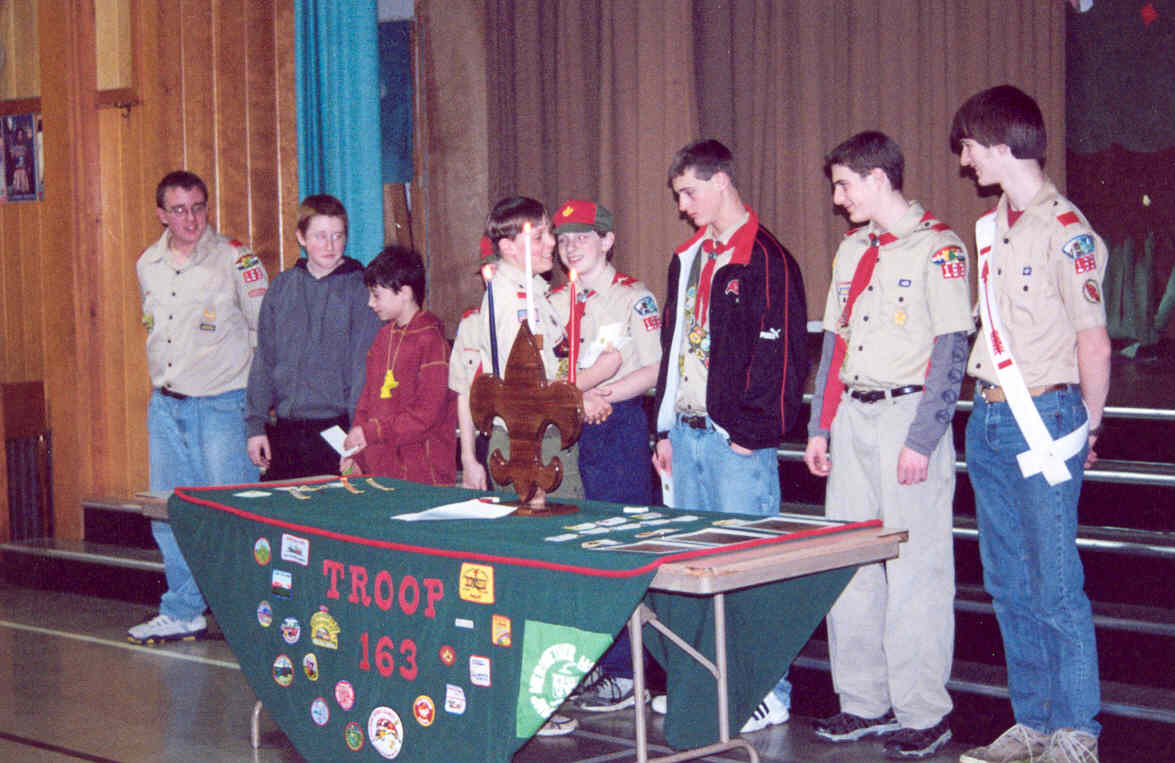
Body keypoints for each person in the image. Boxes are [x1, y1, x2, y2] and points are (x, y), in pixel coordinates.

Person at [952, 85, 1109, 763]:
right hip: (988, 416)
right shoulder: (994, 227)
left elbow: (1093, 341)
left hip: (1044, 414)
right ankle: (1033, 723)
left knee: (1054, 583)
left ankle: (1075, 730)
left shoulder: (1065, 230)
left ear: (999, 145)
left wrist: (1088, 428)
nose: (964, 161)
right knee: (1007, 582)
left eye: (969, 147)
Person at [804, 132, 970, 759]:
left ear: (878, 178)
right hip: (854, 415)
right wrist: (820, 426)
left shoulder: (939, 248)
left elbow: (951, 350)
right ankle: (863, 702)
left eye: (845, 185)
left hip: (908, 418)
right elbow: (835, 344)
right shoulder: (853, 250)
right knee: (849, 563)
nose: (838, 198)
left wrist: (923, 439)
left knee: (915, 571)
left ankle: (923, 711)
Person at [651, 139, 808, 732]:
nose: (683, 206)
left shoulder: (767, 258)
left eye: (689, 192)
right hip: (686, 432)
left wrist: (753, 431)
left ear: (721, 182)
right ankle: (703, 683)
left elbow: (784, 357)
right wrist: (662, 427)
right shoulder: (690, 257)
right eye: (678, 196)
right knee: (693, 570)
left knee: (750, 569)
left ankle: (767, 692)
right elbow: (673, 346)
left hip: (734, 441)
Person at [130, 170, 267, 644]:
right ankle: (183, 609)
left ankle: (249, 616)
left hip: (223, 405)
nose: (191, 219)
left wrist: (257, 407)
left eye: (198, 207)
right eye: (179, 210)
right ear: (161, 215)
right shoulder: (148, 264)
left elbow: (264, 333)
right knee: (170, 513)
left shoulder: (236, 260)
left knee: (231, 515)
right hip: (166, 406)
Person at [548, 199, 662, 713]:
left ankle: (625, 670)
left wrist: (600, 396)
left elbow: (653, 368)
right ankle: (587, 662)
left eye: (583, 236)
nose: (571, 246)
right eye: (563, 238)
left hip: (616, 427)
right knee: (576, 548)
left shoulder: (633, 298)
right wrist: (579, 398)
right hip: (567, 427)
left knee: (618, 545)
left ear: (607, 241)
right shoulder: (555, 301)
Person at [455, 196, 619, 500]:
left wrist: (580, 395)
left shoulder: (534, 293)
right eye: (539, 237)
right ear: (508, 247)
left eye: (549, 234)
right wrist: (598, 373)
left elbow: (552, 365)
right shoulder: (513, 302)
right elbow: (527, 392)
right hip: (529, 443)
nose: (552, 243)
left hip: (544, 433)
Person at [245, 195, 382, 481]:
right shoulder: (281, 288)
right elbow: (264, 361)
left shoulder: (361, 290)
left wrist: (356, 434)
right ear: (301, 237)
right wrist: (256, 425)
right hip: (286, 430)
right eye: (320, 236)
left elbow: (363, 368)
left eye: (337, 236)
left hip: (338, 430)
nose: (330, 246)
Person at [340, 245, 457, 485]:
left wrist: (370, 433)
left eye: (376, 295)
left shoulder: (431, 340)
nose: (370, 303)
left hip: (422, 475)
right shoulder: (382, 338)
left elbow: (426, 414)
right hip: (381, 469)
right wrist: (356, 455)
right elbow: (366, 404)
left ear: (404, 292)